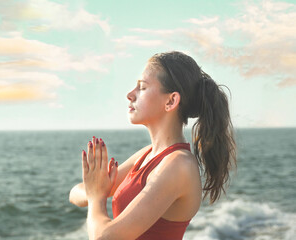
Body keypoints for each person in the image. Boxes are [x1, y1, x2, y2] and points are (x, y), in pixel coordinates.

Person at [69, 51, 237, 240]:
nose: (130, 94)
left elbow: (104, 237)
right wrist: (95, 189)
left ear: (171, 101)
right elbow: (75, 193)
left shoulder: (178, 165)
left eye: (142, 87)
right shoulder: (147, 155)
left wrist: (96, 197)